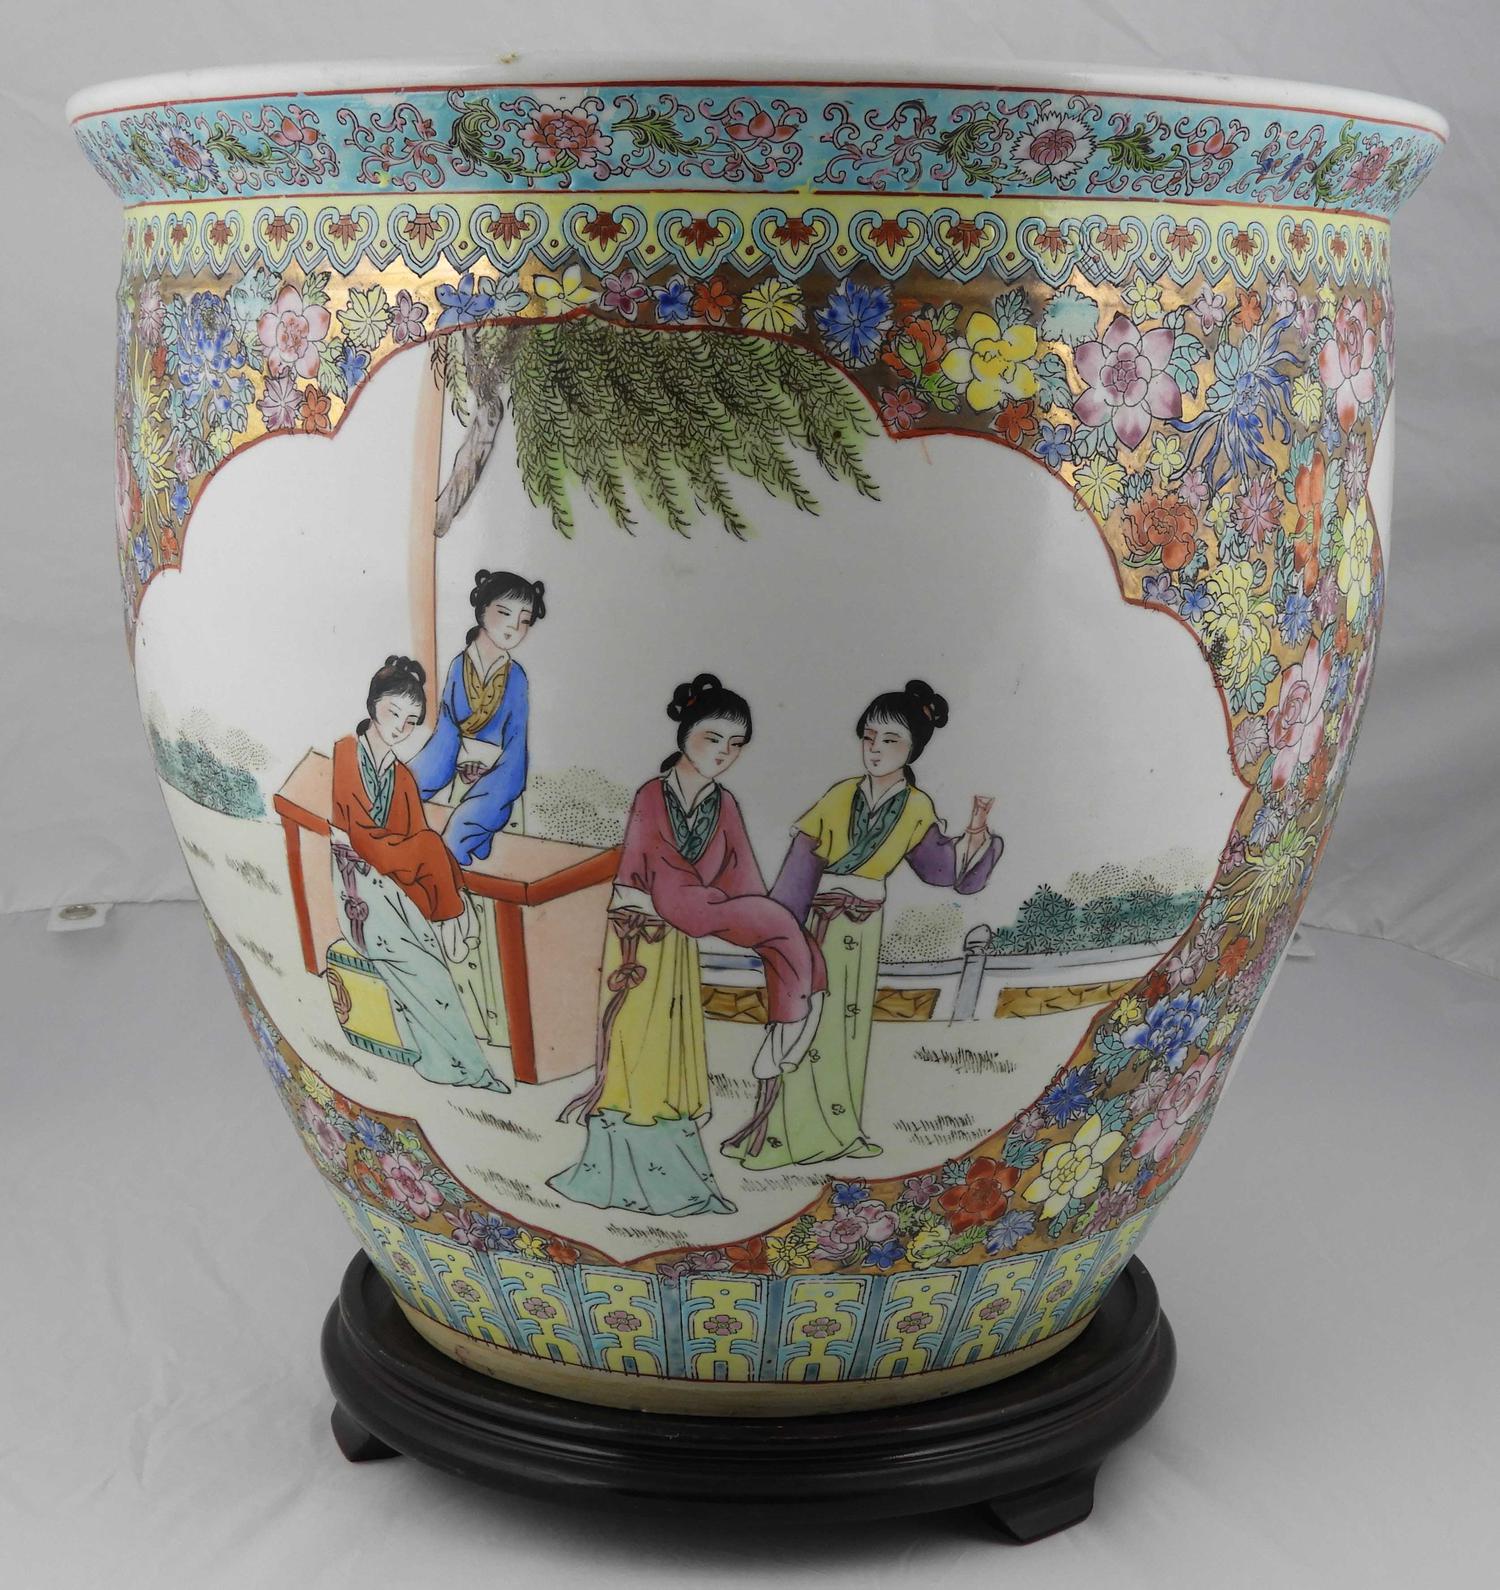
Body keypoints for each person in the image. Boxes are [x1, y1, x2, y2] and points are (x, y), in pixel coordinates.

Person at [548, 675, 825, 1217]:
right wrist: (724, 913)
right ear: (685, 734)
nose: (723, 752)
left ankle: (793, 1009)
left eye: (735, 744)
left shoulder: (724, 806)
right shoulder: (652, 796)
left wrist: (756, 928)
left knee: (678, 1037)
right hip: (640, 936)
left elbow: (743, 883)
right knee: (638, 1044)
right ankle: (621, 1173)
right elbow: (657, 874)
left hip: (683, 936)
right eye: (712, 737)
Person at [721, 680, 1000, 1169]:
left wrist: (974, 835)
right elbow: (801, 865)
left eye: (890, 740)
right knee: (806, 1021)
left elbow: (939, 870)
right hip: (818, 925)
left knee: (848, 1027)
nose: (875, 749)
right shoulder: (840, 796)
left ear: (912, 749)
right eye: (869, 737)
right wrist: (779, 930)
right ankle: (782, 1135)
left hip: (863, 929)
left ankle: (840, 1130)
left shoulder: (916, 807)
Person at [329, 656, 508, 1093]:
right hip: (358, 889)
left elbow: (416, 840)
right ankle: (466, 1068)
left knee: (431, 965)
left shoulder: (402, 777)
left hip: (392, 886)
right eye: (394, 713)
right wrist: (429, 867)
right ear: (373, 705)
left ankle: (452, 1065)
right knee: (421, 967)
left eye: (410, 722)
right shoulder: (345, 754)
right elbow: (366, 840)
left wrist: (444, 889)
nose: (400, 727)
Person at [410, 569, 543, 864]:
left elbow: (516, 748)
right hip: (457, 768)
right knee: (400, 793)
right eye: (504, 613)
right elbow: (445, 734)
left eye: (524, 621)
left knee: (456, 836)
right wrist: (409, 782)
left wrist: (489, 773)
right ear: (482, 608)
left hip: (497, 782)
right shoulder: (459, 665)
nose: (514, 627)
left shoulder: (517, 677)